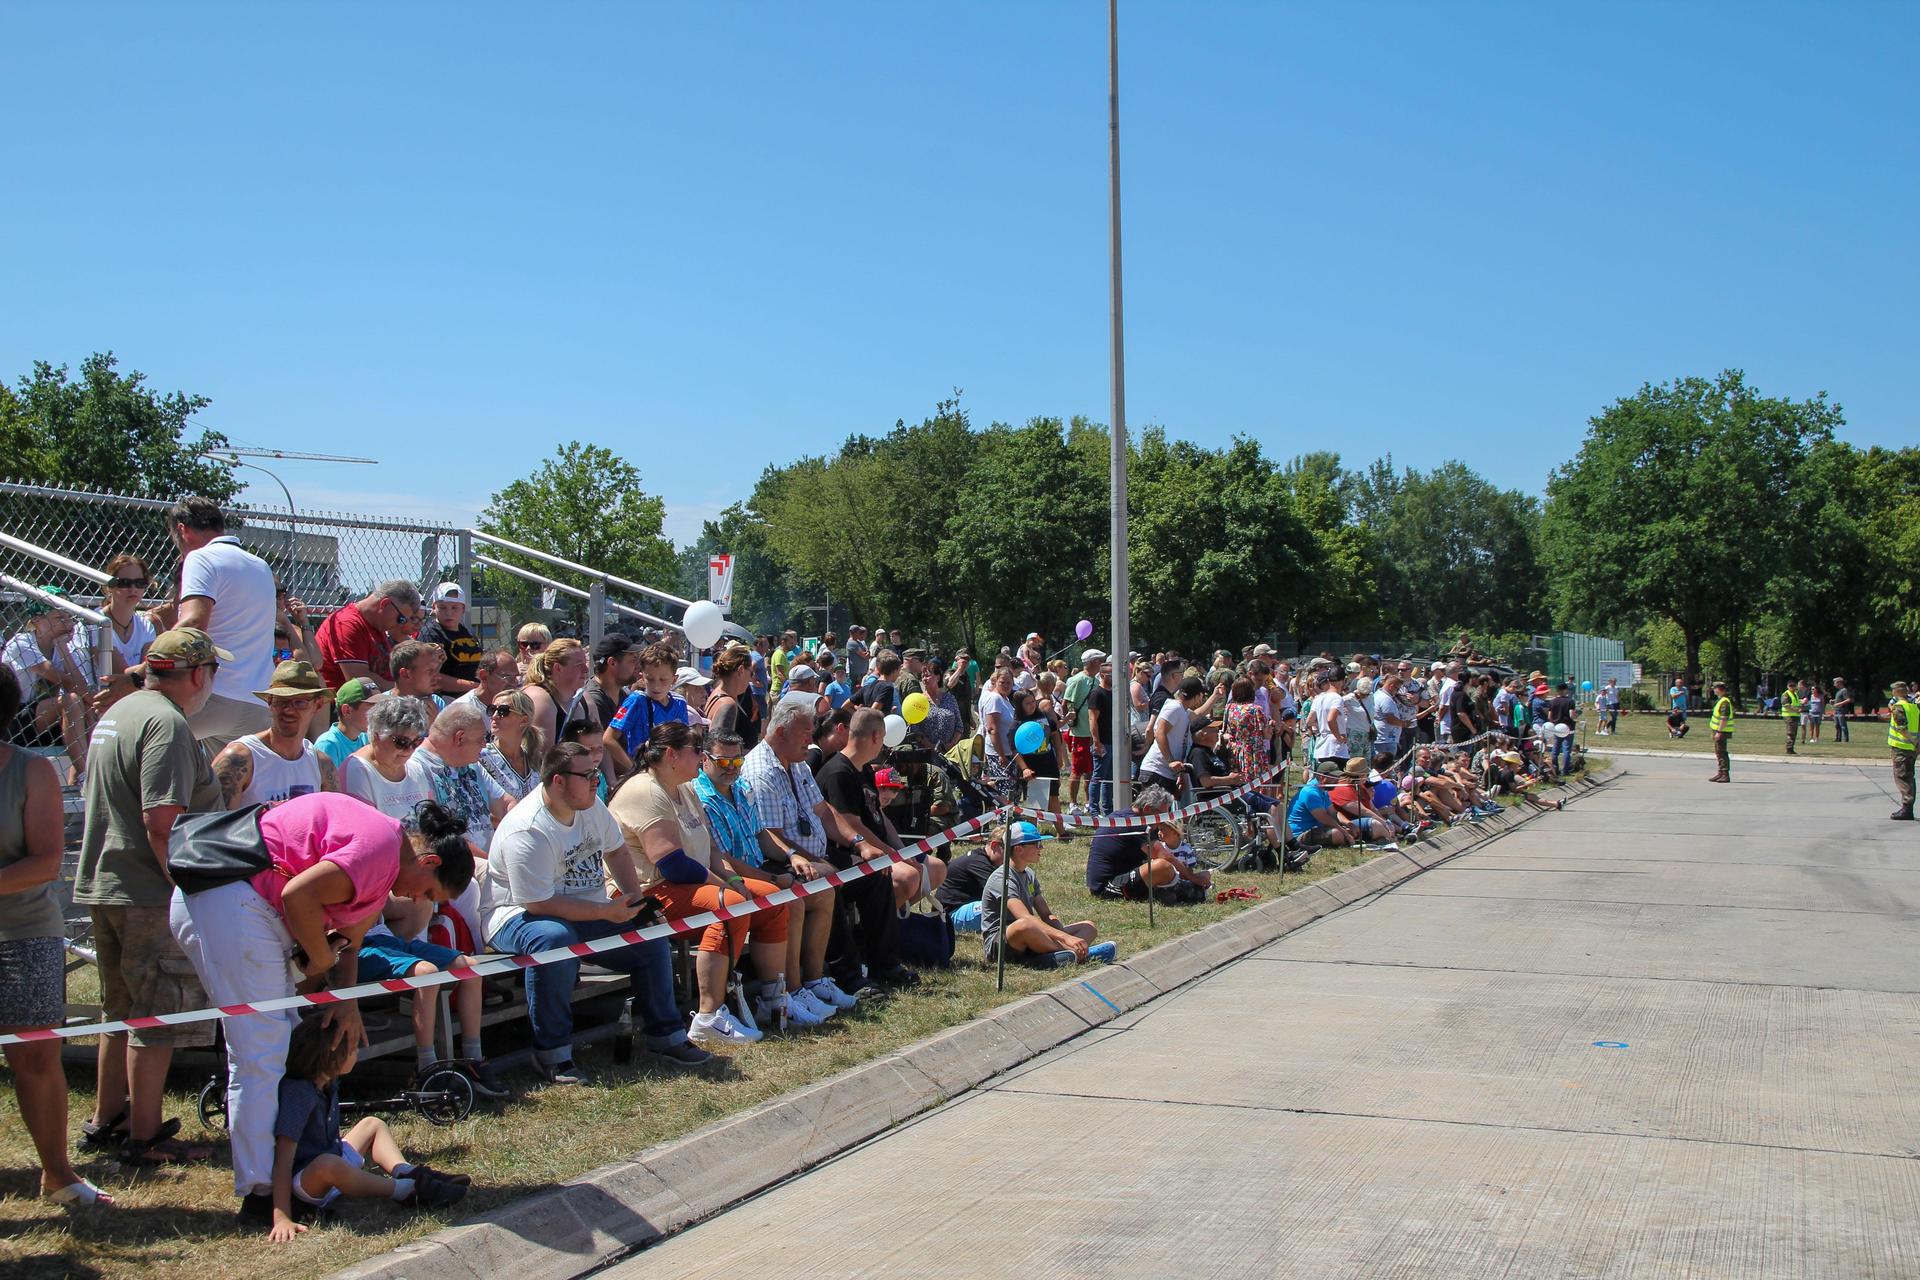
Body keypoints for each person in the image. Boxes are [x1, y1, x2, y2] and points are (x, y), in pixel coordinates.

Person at [170, 793, 475, 1220]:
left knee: (284, 1037)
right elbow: (298, 896)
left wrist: (346, 1002)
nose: (415, 898)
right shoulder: (380, 850)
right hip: (228, 899)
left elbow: (349, 940)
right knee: (262, 1048)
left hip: (240, 904)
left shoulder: (386, 860)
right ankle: (263, 1193)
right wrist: (319, 958)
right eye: (426, 891)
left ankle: (289, 1171)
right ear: (428, 864)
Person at [71, 627, 223, 1166]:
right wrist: (186, 887)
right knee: (155, 1014)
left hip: (107, 881)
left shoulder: (122, 711)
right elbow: (162, 818)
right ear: (199, 674)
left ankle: (107, 1116)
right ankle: (144, 1135)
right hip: (147, 891)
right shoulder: (167, 723)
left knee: (122, 1009)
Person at [482, 743, 711, 1084]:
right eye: (587, 775)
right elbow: (537, 904)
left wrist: (634, 901)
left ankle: (666, 1036)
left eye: (595, 772)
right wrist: (605, 911)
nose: (595, 781)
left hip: (585, 908)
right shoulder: (528, 828)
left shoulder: (589, 805)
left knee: (648, 936)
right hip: (516, 915)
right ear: (558, 781)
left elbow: (617, 850)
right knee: (556, 939)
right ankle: (551, 1054)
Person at [1, 670, 114, 1206]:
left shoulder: (32, 771)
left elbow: (46, 862)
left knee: (37, 1059)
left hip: (22, 932)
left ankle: (58, 1174)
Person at [609, 722, 791, 1044]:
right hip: (650, 890)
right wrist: (724, 886)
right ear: (672, 755)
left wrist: (732, 878)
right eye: (696, 752)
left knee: (772, 899)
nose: (700, 758)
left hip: (687, 885)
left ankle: (772, 1000)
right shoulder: (645, 790)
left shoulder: (687, 788)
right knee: (730, 905)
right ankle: (709, 1015)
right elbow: (672, 864)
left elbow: (711, 849)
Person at [266, 1014, 467, 1242]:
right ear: (330, 1054)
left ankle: (408, 1171)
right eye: (352, 1049)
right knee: (328, 1164)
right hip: (307, 1181)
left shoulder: (327, 1083)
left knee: (372, 1124)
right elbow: (283, 1159)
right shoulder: (298, 1093)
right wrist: (282, 1217)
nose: (357, 1052)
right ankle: (405, 1190)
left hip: (333, 1158)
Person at [695, 729, 842, 1024]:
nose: (732, 769)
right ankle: (787, 990)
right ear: (704, 760)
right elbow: (723, 859)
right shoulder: (700, 798)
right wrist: (772, 880)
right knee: (792, 902)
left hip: (759, 867)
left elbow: (761, 834)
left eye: (737, 762)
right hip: (730, 877)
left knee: (825, 890)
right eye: (724, 763)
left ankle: (812, 982)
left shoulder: (742, 788)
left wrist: (791, 856)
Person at [815, 708, 940, 986]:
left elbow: (878, 817)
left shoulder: (863, 771)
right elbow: (851, 825)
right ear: (874, 736)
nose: (884, 744)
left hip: (873, 851)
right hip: (847, 853)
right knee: (892, 876)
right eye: (882, 738)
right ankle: (868, 951)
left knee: (931, 867)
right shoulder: (838, 772)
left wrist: (901, 850)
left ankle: (884, 959)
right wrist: (891, 856)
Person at [162, 497, 277, 752]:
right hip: (257, 701)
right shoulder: (261, 565)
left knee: (130, 731)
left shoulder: (199, 558)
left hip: (210, 697)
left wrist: (146, 666)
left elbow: (194, 623)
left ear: (182, 529)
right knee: (229, 785)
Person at [211, 660, 336, 809]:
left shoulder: (322, 765)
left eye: (299, 702)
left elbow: (333, 822)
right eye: (281, 701)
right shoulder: (240, 758)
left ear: (318, 705)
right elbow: (213, 825)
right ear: (270, 702)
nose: (288, 710)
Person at [981, 822, 1106, 967]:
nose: (1041, 848)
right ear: (1019, 849)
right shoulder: (1002, 878)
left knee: (1088, 926)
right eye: (1037, 844)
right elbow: (1025, 917)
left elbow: (1046, 914)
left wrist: (1062, 933)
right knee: (1026, 925)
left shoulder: (1029, 874)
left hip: (1032, 935)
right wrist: (1065, 938)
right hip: (1001, 944)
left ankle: (1058, 955)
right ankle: (1077, 954)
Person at [3, 589, 95, 778]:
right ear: (37, 621)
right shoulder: (22, 644)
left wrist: (64, 649)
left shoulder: (65, 647)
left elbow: (86, 693)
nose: (67, 624)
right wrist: (63, 648)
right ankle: (87, 774)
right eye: (59, 618)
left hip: (45, 719)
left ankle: (84, 775)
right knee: (72, 699)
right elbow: (68, 683)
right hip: (16, 718)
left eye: (69, 618)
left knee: (86, 705)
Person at [1084, 785, 1210, 901]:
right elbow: (1164, 856)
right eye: (1161, 815)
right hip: (1108, 887)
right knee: (1162, 866)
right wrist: (1194, 878)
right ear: (1148, 808)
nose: (1163, 820)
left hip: (1122, 877)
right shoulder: (1135, 822)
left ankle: (1172, 889)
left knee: (1205, 874)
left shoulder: (1133, 817)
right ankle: (1186, 890)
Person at [314, 580, 423, 693]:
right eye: (401, 619)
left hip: (374, 700)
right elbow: (359, 680)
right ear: (384, 604)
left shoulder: (377, 624)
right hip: (345, 705)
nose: (401, 624)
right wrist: (406, 690)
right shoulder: (347, 624)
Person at [604, 641, 687, 778]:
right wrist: (634, 768)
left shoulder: (680, 703)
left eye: (663, 680)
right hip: (645, 774)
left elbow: (684, 741)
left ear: (674, 679)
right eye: (650, 679)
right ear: (642, 677)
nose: (656, 686)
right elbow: (608, 738)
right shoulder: (637, 701)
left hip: (672, 774)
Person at [339, 698, 432, 816]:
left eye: (417, 742)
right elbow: (364, 828)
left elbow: (431, 819)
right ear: (377, 735)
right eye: (402, 742)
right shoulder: (357, 770)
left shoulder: (416, 768)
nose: (410, 749)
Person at [523, 637, 593, 755]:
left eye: (585, 664)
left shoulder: (583, 699)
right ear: (558, 668)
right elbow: (543, 759)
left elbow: (600, 748)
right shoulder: (540, 698)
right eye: (579, 664)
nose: (586, 669)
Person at [416, 583, 482, 698]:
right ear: (433, 608)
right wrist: (477, 687)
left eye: (455, 607)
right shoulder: (431, 633)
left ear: (463, 609)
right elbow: (433, 676)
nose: (449, 613)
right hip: (446, 697)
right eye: (442, 607)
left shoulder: (467, 632)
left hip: (473, 693)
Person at [478, 688, 544, 799]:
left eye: (503, 711)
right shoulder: (481, 757)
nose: (494, 716)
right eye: (492, 709)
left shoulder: (536, 760)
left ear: (523, 720)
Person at [933, 835, 1002, 933]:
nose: (1012, 857)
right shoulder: (979, 863)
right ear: (994, 845)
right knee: (1001, 906)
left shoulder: (981, 859)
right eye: (1010, 850)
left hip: (958, 910)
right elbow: (1001, 895)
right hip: (949, 916)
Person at [1060, 649, 1100, 815]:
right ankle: (1073, 803)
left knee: (1090, 770)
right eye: (1099, 660)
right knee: (1077, 770)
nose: (1101, 663)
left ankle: (1089, 802)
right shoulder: (1077, 680)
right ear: (1091, 662)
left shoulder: (1096, 681)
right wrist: (1070, 722)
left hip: (1091, 733)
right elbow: (1065, 703)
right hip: (1079, 732)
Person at [1287, 764, 1358, 849]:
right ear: (1321, 777)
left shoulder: (1324, 790)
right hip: (1299, 834)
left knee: (1344, 831)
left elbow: (1333, 813)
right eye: (1334, 777)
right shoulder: (1310, 792)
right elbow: (1324, 818)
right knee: (1337, 834)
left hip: (1315, 829)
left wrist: (1349, 824)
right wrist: (1345, 833)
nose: (1337, 780)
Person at [316, 677, 376, 769]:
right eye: (372, 708)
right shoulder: (328, 745)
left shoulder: (365, 738)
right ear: (347, 711)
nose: (378, 713)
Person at [388, 639, 447, 725]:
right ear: (405, 674)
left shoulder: (437, 703)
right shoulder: (379, 709)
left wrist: (435, 727)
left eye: (437, 670)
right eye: (430, 671)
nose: (438, 677)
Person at [1086, 658, 1119, 815]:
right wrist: (1097, 742)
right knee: (1098, 776)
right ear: (1103, 675)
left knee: (1109, 778)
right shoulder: (1096, 694)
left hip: (1113, 741)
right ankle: (1093, 810)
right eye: (1111, 674)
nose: (1114, 677)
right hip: (1103, 742)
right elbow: (1092, 719)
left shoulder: (1113, 693)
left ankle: (1108, 809)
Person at [1889, 681, 1918, 821]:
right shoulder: (1913, 707)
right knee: (1910, 777)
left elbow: (1902, 728)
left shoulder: (1898, 707)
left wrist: (1913, 741)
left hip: (1902, 748)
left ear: (1897, 692)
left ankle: (1907, 809)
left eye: (1893, 691)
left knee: (1902, 777)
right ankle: (1908, 808)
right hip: (1912, 748)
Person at [1707, 680, 1735, 783]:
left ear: (1719, 689)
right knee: (1718, 752)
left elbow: (1724, 718)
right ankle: (1720, 773)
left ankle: (1725, 774)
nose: (1713, 690)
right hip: (1718, 730)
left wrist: (1719, 732)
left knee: (1722, 752)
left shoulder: (1724, 702)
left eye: (1715, 688)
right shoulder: (1721, 700)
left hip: (1722, 731)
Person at [1781, 678, 1805, 754]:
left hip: (1795, 716)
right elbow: (1786, 705)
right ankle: (1789, 749)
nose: (1792, 687)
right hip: (1789, 716)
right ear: (1788, 686)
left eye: (1793, 686)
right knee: (1790, 733)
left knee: (1794, 733)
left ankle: (1791, 748)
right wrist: (1796, 710)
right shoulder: (1786, 694)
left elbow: (1796, 704)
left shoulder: (1795, 694)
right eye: (1790, 686)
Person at [1831, 677, 1853, 743]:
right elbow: (1840, 699)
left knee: (1842, 725)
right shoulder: (1839, 691)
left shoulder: (1844, 690)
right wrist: (1834, 701)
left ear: (1839, 683)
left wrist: (1839, 704)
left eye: (1835, 682)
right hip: (1836, 710)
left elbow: (1848, 699)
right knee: (1837, 725)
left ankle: (1845, 739)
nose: (1834, 684)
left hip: (1842, 710)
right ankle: (1838, 738)